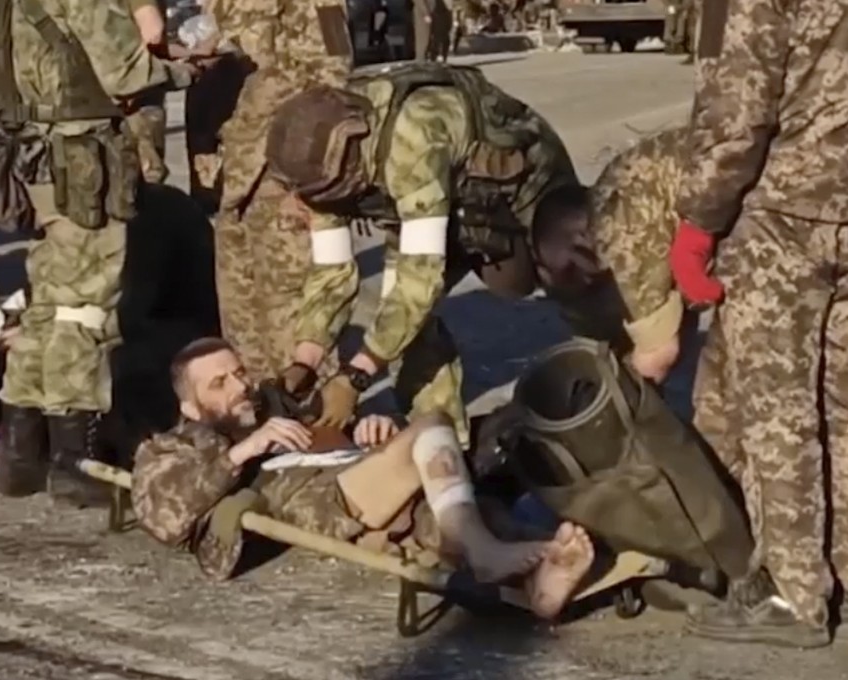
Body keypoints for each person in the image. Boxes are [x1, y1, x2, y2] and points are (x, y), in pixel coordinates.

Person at [132, 337, 596, 619]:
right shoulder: (173, 448)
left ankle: (540, 583)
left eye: (238, 374)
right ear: (189, 407)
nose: (239, 388)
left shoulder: (278, 407)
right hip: (320, 499)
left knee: (460, 518)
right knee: (433, 424)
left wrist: (368, 429)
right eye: (219, 384)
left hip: (361, 476)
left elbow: (332, 427)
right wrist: (244, 450)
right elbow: (163, 515)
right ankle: (491, 553)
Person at [263, 63, 578, 446]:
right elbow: (332, 274)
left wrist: (355, 376)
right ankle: (443, 442)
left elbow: (419, 283)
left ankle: (623, 376)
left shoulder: (414, 135)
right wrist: (305, 361)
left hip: (520, 190)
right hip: (429, 205)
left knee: (572, 271)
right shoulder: (318, 171)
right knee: (407, 326)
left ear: (352, 151)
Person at [669, 0, 848, 648]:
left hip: (786, 211)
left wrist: (698, 224)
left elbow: (739, 107)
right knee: (839, 401)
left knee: (779, 409)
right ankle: (839, 572)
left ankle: (795, 592)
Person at [0, 0, 179, 506]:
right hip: (78, 158)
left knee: (46, 304)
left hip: (32, 153)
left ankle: (22, 452)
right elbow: (124, 70)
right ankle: (73, 457)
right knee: (83, 307)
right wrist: (188, 62)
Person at [202, 0, 353, 384]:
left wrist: (307, 183)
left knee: (291, 318)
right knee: (242, 321)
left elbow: (334, 78)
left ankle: (315, 425)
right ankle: (264, 423)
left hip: (282, 177)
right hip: (237, 176)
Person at [531, 127, 687, 384]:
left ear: (579, 237)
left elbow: (659, 353)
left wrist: (613, 406)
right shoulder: (612, 191)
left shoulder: (617, 232)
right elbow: (674, 315)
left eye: (567, 272)